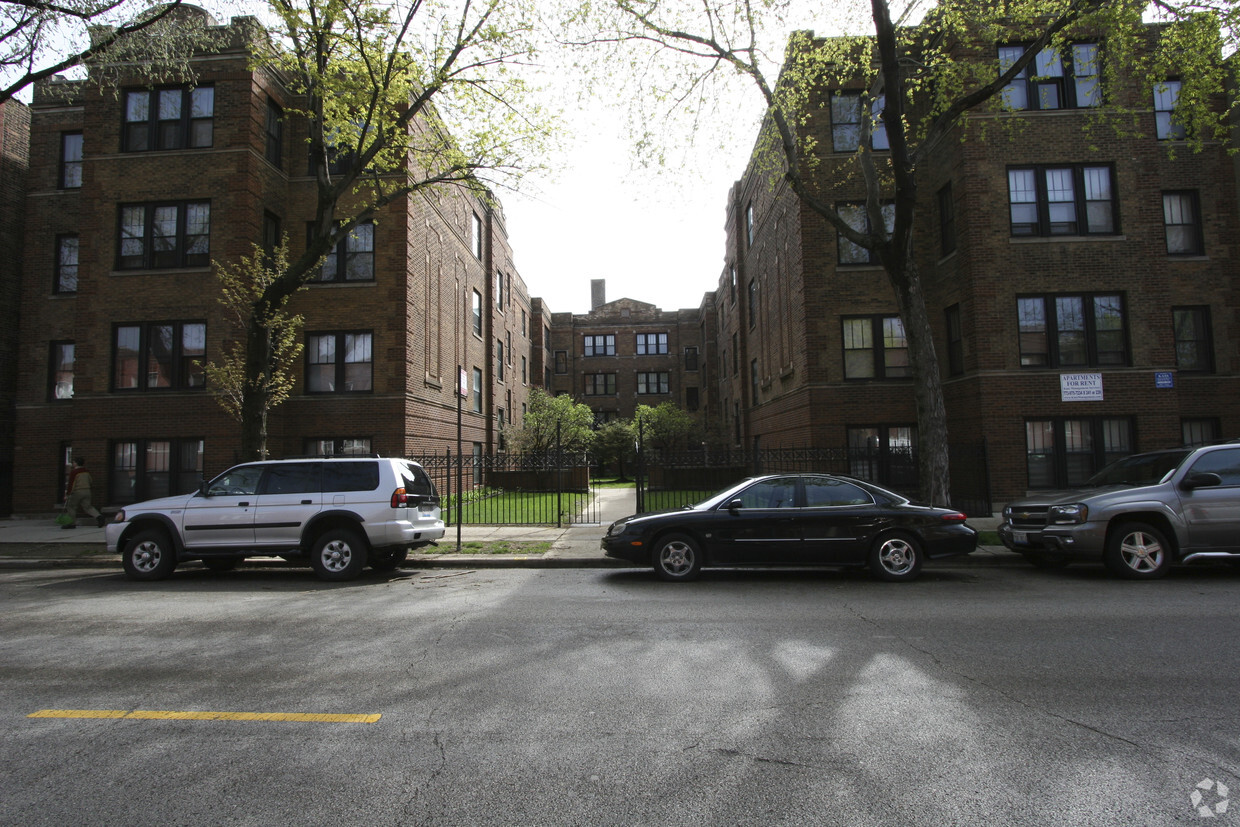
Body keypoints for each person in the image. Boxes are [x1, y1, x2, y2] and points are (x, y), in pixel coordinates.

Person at [63, 457, 104, 529]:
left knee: (71, 507)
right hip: (87, 491)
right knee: (88, 507)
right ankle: (99, 517)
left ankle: (71, 523)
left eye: (73, 462)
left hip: (77, 491)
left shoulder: (74, 472)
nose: (73, 463)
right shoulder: (86, 471)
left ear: (76, 463)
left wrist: (67, 494)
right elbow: (91, 481)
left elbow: (71, 484)